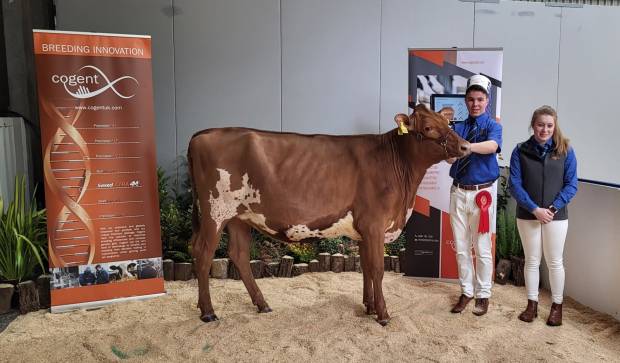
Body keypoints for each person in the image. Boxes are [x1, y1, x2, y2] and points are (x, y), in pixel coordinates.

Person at [509, 105, 577, 326]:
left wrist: (552, 209)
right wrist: (534, 209)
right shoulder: (520, 150)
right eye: (540, 125)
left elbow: (571, 185)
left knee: (555, 262)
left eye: (549, 125)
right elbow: (515, 185)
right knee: (532, 261)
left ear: (554, 125)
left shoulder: (566, 150)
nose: (544, 129)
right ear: (533, 125)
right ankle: (532, 305)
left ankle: (556, 307)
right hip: (528, 215)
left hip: (556, 217)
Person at [447, 74, 502, 316]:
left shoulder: (493, 126)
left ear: (487, 100)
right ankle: (467, 291)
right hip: (458, 191)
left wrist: (465, 147)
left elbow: (492, 146)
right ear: (466, 101)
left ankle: (484, 294)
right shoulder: (457, 127)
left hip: (483, 195)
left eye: (480, 99)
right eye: (471, 99)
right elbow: (449, 157)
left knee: (482, 247)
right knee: (461, 247)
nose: (475, 103)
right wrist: (448, 149)